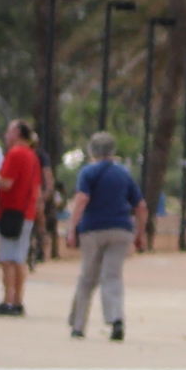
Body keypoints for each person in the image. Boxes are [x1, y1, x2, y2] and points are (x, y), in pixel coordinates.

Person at [65, 131, 143, 341]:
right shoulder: (124, 173)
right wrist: (140, 233)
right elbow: (141, 205)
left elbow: (82, 199)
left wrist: (72, 228)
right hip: (121, 229)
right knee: (113, 275)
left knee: (87, 277)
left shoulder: (87, 172)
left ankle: (78, 325)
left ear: (92, 151)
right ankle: (115, 318)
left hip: (92, 229)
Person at [0, 118, 40, 315]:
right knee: (19, 257)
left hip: (11, 210)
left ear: (17, 133)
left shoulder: (15, 153)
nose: (6, 134)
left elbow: (7, 183)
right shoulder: (32, 156)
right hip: (26, 211)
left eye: (10, 131)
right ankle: (18, 299)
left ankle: (8, 299)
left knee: (8, 258)